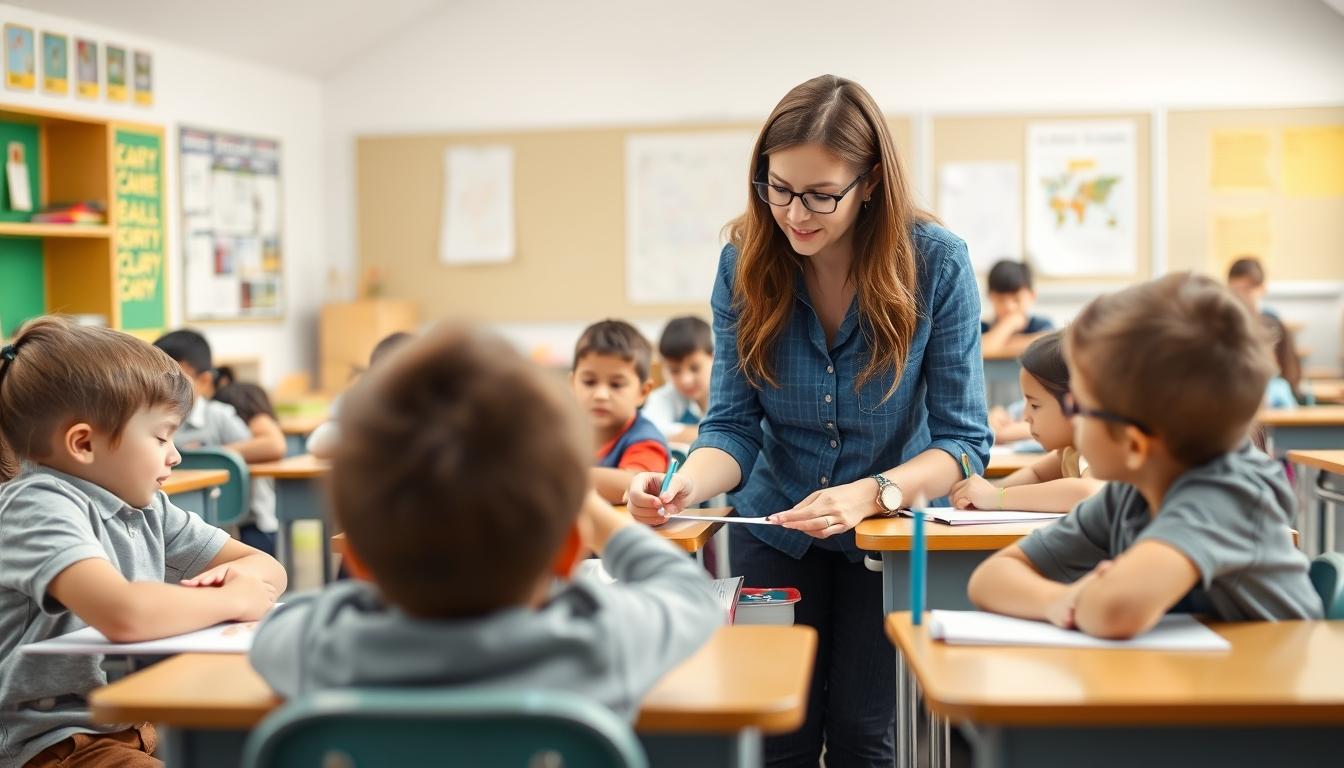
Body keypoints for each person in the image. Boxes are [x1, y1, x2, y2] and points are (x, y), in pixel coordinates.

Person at [626, 75, 990, 767]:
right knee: (776, 734)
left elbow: (964, 442)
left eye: (821, 194)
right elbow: (731, 427)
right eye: (779, 188)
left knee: (863, 735)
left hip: (883, 537)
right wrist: (681, 486)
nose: (795, 213)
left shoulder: (936, 263)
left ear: (870, 181)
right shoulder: (743, 264)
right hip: (775, 528)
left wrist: (872, 493)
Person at [249, 324, 721, 719]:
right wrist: (592, 511)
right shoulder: (601, 642)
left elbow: (276, 628)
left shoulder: (325, 649)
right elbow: (689, 592)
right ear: (568, 552)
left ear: (357, 558)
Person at [967, 274, 1322, 637]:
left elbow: (1114, 613)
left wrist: (1099, 594)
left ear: (1134, 445)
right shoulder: (1130, 493)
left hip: (1273, 672)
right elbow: (989, 579)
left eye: (1079, 406)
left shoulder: (1224, 496)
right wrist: (1059, 600)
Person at [0, 317, 284, 768]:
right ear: (83, 443)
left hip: (134, 725)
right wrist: (232, 597)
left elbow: (266, 566)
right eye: (161, 436)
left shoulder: (147, 507)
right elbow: (124, 614)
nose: (176, 454)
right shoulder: (35, 506)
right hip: (56, 746)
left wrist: (238, 583)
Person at [153, 330, 285, 552]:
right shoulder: (153, 419)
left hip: (244, 523)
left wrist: (212, 453)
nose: (164, 387)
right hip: (180, 520)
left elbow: (269, 447)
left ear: (204, 381)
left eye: (175, 379)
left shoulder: (219, 415)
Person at [951, 332, 1104, 512]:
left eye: (1035, 405)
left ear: (1075, 404)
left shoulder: (1099, 449)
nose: (1026, 416)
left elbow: (1088, 493)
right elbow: (1036, 474)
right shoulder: (1069, 451)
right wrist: (985, 492)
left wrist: (996, 497)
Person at [571, 320, 669, 503]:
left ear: (643, 392)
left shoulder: (646, 440)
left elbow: (637, 484)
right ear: (572, 384)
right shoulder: (567, 432)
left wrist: (559, 475)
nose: (600, 395)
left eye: (616, 385)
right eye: (589, 382)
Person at [644, 316, 713, 443]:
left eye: (695, 368)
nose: (686, 380)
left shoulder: (732, 396)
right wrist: (715, 434)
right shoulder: (665, 397)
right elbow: (650, 428)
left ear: (714, 357)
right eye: (675, 371)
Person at [979, 259, 1053, 357]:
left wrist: (997, 345)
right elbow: (979, 351)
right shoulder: (981, 328)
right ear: (989, 297)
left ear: (1032, 296)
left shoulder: (1042, 325)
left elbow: (1047, 346)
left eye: (1017, 299)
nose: (1009, 307)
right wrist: (1009, 324)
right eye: (1001, 300)